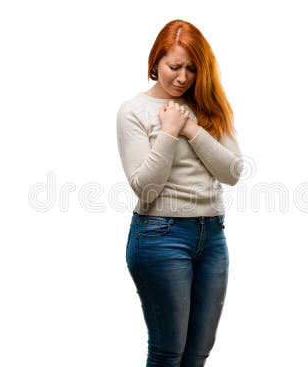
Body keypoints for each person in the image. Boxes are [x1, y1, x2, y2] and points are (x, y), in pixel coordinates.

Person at [117, 19, 242, 367]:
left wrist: (191, 129)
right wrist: (169, 133)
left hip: (212, 237)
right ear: (155, 62)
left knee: (199, 351)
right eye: (174, 66)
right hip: (160, 235)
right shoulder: (134, 111)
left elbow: (232, 171)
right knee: (168, 351)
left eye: (191, 68)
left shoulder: (208, 105)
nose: (183, 77)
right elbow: (146, 186)